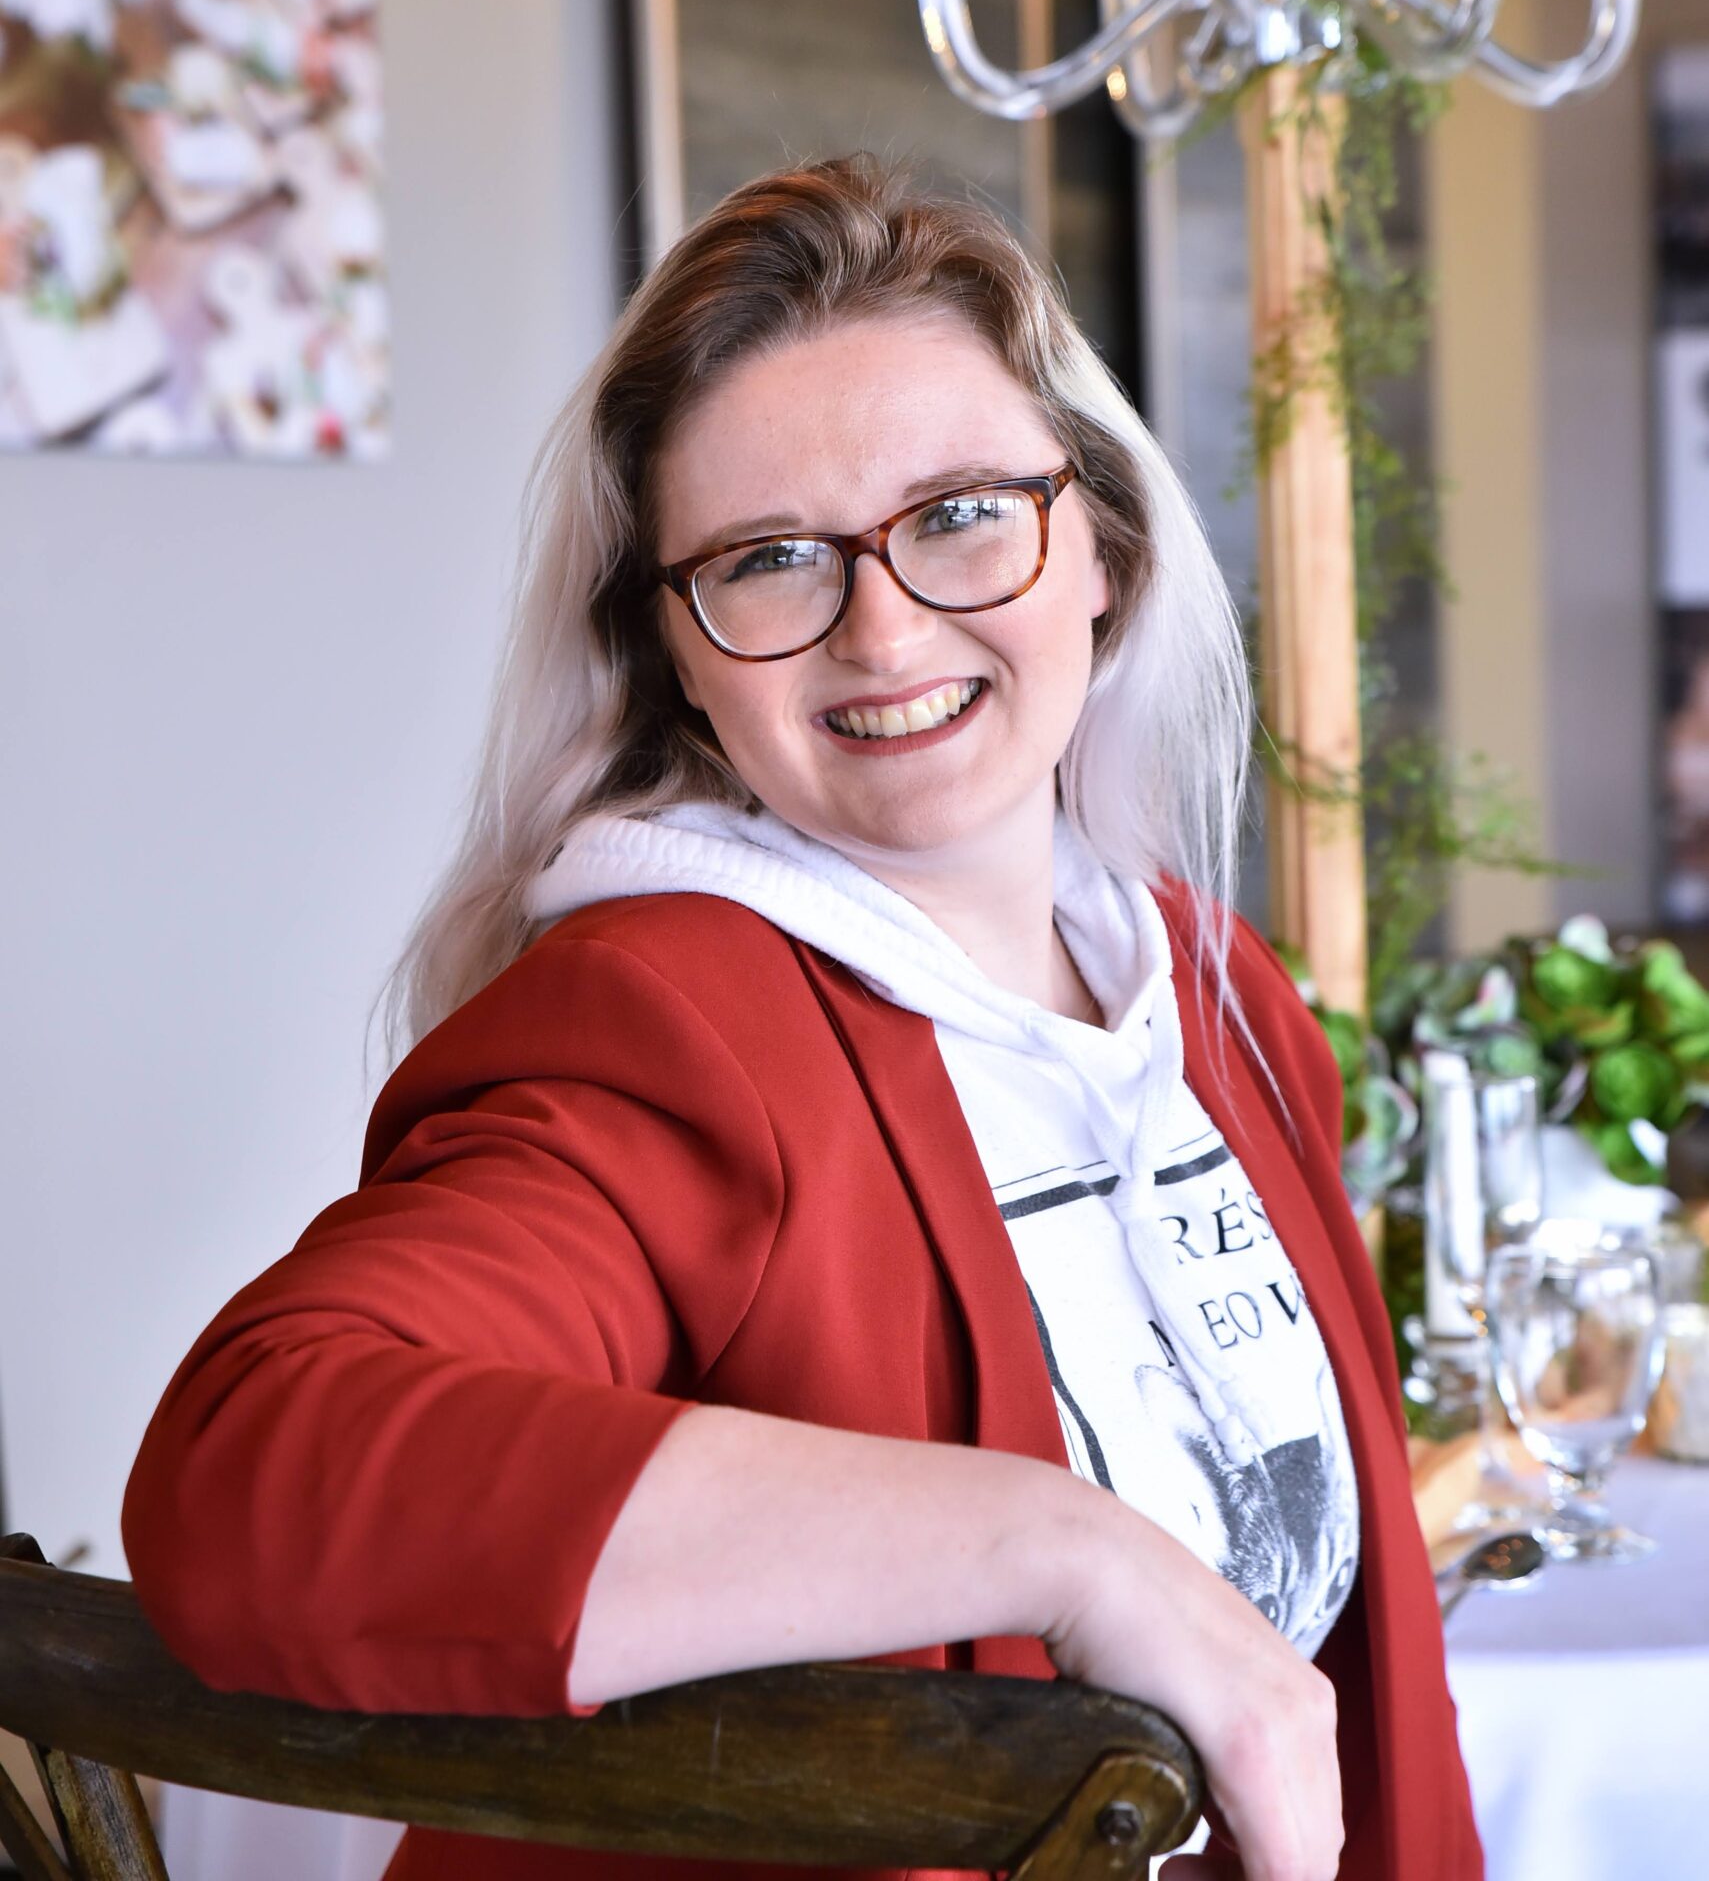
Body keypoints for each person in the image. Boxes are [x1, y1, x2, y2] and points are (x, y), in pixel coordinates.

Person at [124, 159, 1479, 1881]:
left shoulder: (1217, 1000)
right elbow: (263, 1474)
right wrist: (1060, 1547)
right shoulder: (659, 1023)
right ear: (676, 652)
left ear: (1103, 553)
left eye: (965, 512)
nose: (884, 625)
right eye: (769, 561)